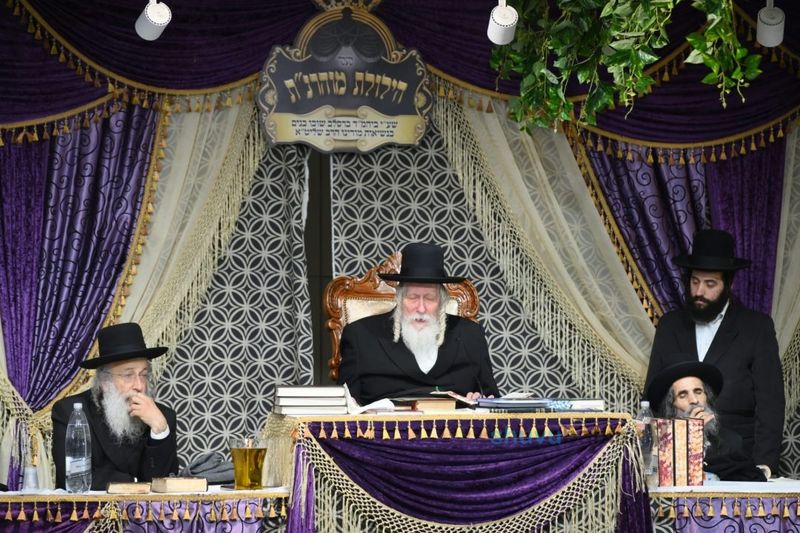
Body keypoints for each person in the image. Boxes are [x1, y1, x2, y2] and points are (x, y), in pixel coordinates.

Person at [645, 229, 784, 477]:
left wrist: (764, 466)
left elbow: (770, 404)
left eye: (710, 284)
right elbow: (653, 398)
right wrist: (657, 459)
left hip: (740, 462)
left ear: (729, 284)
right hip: (677, 461)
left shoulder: (757, 327)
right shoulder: (669, 325)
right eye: (694, 282)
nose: (699, 291)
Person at [338, 242, 500, 405]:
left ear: (442, 300)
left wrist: (479, 401)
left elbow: (493, 401)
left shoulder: (470, 335)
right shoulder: (361, 336)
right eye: (413, 297)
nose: (421, 308)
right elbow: (346, 408)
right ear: (399, 298)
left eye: (430, 298)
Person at [52, 322, 179, 490]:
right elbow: (76, 477)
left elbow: (166, 485)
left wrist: (160, 430)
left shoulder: (163, 416)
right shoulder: (69, 412)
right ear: (105, 381)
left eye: (143, 375)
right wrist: (137, 483)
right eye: (128, 375)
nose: (140, 386)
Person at [646, 360, 767, 481]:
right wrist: (688, 436)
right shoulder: (656, 441)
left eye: (698, 392)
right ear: (671, 406)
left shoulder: (731, 441)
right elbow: (662, 476)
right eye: (683, 395)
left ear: (707, 396)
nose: (694, 400)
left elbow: (753, 479)